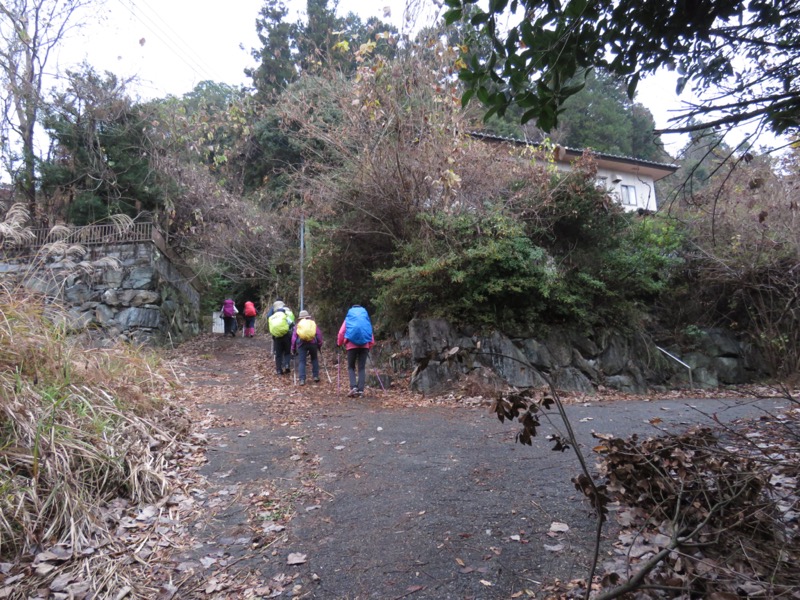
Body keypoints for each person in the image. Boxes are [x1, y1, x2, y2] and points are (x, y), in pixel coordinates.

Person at [337, 304, 374, 397]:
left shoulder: (349, 318)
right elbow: (369, 331)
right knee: (361, 368)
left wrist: (339, 343)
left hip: (351, 345)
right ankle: (361, 390)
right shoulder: (365, 318)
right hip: (364, 345)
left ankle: (353, 387)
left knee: (351, 367)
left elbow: (341, 332)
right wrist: (370, 344)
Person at [291, 310, 323, 385]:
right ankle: (315, 376)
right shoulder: (312, 323)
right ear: (308, 316)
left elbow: (294, 338)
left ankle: (302, 379)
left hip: (302, 344)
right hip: (313, 343)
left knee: (302, 361)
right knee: (314, 359)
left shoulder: (298, 325)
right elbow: (318, 334)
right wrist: (319, 344)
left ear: (300, 318)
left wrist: (293, 348)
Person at [268, 300, 295, 375]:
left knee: (278, 354)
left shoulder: (272, 317)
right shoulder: (285, 315)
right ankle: (287, 365)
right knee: (287, 352)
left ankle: (279, 370)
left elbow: (270, 327)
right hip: (286, 336)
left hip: (276, 337)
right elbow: (292, 324)